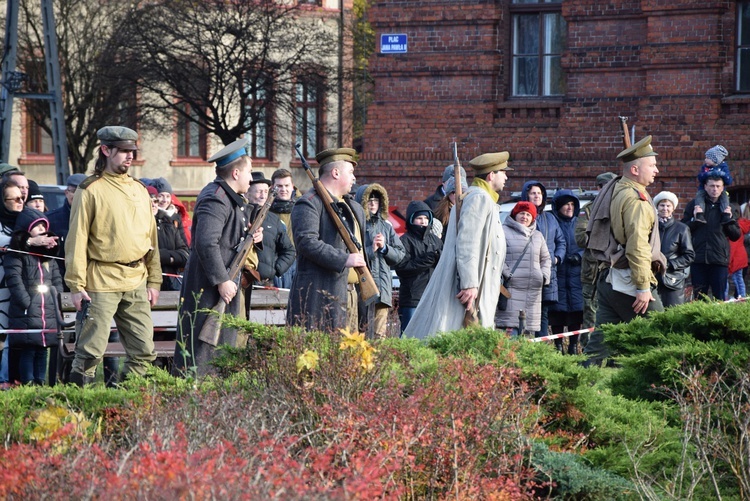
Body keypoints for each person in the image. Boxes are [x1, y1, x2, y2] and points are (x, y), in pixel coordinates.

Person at [65, 126, 162, 386]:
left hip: (136, 280)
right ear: (106, 150)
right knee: (89, 353)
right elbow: (77, 239)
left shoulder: (140, 190)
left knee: (143, 352)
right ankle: (77, 412)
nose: (130, 157)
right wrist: (76, 285)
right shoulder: (90, 189)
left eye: (133, 151)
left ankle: (128, 411)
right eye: (123, 151)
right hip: (100, 281)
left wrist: (154, 280)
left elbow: (151, 239)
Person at [173, 137, 261, 377]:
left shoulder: (230, 200)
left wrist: (251, 237)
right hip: (209, 289)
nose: (251, 179)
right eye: (249, 172)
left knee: (221, 353)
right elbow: (205, 242)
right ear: (235, 173)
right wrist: (221, 280)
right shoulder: (216, 198)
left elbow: (226, 240)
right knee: (201, 358)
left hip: (222, 286)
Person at [404, 151, 510, 338]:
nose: (506, 176)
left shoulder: (483, 199)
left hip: (478, 284)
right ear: (491, 175)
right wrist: (469, 284)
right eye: (503, 172)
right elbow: (467, 242)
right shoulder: (479, 198)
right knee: (454, 334)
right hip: (470, 287)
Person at [583, 135, 666, 366]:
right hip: (629, 281)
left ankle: (570, 390)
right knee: (663, 336)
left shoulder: (618, 187)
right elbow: (638, 246)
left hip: (611, 278)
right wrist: (642, 286)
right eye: (652, 165)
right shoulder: (636, 199)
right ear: (635, 169)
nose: (656, 170)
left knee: (598, 344)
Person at [287, 148, 369, 333]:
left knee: (353, 355)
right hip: (323, 295)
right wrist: (343, 259)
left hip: (353, 294)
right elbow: (306, 242)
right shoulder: (309, 202)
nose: (354, 178)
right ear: (335, 172)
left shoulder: (353, 207)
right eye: (350, 172)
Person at [4, 208, 63, 385]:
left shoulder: (48, 257)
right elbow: (14, 279)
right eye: (37, 227)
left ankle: (41, 382)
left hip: (47, 311)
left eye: (44, 227)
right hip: (27, 311)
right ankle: (28, 383)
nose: (42, 231)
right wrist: (26, 302)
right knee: (28, 350)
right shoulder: (17, 253)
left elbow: (57, 279)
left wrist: (56, 299)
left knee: (42, 350)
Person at [355, 183, 405, 338]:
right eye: (369, 200)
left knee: (379, 335)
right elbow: (351, 255)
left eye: (376, 200)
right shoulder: (358, 225)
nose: (372, 204)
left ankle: (378, 362)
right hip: (361, 287)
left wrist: (385, 248)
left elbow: (400, 254)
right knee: (360, 331)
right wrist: (372, 250)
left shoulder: (386, 227)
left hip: (382, 287)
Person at [682, 173, 741, 301]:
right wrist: (695, 219)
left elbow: (736, 235)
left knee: (719, 298)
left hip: (719, 259)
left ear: (722, 188)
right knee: (698, 299)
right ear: (705, 187)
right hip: (698, 258)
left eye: (718, 186)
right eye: (712, 186)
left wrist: (729, 219)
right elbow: (683, 230)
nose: (715, 189)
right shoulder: (694, 205)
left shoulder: (728, 207)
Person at [494, 201, 550, 336]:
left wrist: (543, 276)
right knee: (510, 331)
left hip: (533, 292)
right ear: (515, 215)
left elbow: (546, 258)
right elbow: (497, 254)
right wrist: (508, 274)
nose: (525, 217)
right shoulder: (503, 231)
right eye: (522, 213)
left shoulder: (538, 236)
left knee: (527, 333)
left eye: (528, 214)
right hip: (512, 289)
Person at [520, 180, 566, 337]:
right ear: (526, 194)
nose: (536, 196)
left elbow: (561, 241)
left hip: (547, 274)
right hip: (526, 272)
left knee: (543, 314)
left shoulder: (550, 218)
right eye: (533, 193)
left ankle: (542, 351)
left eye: (539, 193)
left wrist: (556, 259)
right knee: (523, 314)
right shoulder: (521, 217)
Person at [575, 172, 617, 339]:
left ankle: (612, 355)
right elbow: (580, 238)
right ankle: (589, 355)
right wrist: (606, 236)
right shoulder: (588, 210)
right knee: (591, 314)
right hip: (592, 272)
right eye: (606, 187)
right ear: (599, 188)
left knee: (614, 313)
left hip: (614, 268)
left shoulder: (621, 207)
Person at [395, 201, 442, 333]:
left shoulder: (435, 240)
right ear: (411, 219)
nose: (423, 221)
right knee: (410, 334)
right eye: (419, 218)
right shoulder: (405, 240)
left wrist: (440, 257)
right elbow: (401, 267)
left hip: (434, 295)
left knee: (431, 335)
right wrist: (426, 260)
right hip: (412, 297)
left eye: (426, 218)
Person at [549, 190, 584, 354]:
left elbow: (589, 245)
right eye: (566, 204)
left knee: (576, 311)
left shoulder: (581, 224)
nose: (569, 208)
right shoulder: (551, 222)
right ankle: (557, 346)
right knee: (557, 312)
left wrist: (579, 256)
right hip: (557, 272)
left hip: (577, 274)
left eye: (572, 204)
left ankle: (573, 346)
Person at [0, 180, 27, 389]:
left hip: (20, 288)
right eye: (15, 198)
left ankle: (16, 380)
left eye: (22, 197)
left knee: (18, 338)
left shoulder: (25, 221)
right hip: (1, 290)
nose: (20, 202)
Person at [653, 191, 694, 307]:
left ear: (673, 208)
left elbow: (689, 255)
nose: (665, 208)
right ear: (657, 207)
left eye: (668, 205)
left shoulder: (681, 229)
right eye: (662, 205)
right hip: (652, 278)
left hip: (673, 279)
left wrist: (668, 264)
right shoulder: (650, 227)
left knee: (673, 314)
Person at [149, 186, 189, 292]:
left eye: (155, 201)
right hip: (148, 284)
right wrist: (172, 256)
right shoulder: (138, 223)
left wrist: (164, 256)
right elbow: (143, 254)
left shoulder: (169, 223)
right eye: (150, 201)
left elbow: (184, 255)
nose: (154, 204)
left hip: (171, 282)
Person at [271, 168, 297, 289]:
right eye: (279, 186)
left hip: (298, 263)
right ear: (273, 187)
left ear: (292, 186)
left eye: (287, 185)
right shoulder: (266, 210)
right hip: (276, 263)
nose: (283, 189)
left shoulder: (302, 208)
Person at [695, 145, 731, 223]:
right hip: (703, 189)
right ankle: (700, 213)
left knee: (724, 197)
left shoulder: (723, 167)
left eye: (708, 158)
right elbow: (700, 178)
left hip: (721, 191)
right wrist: (706, 174)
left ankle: (725, 215)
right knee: (699, 196)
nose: (705, 160)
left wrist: (722, 174)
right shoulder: (705, 168)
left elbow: (729, 180)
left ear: (715, 160)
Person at [149, 177, 190, 246]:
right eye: (161, 196)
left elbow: (184, 246)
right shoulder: (150, 217)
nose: (165, 200)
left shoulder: (176, 217)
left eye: (168, 196)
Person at [726, 203, 750, 299]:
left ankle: (725, 298)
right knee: (739, 279)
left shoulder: (734, 226)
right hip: (740, 256)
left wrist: (728, 260)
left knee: (726, 280)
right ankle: (742, 297)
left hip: (734, 256)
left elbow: (733, 245)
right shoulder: (742, 224)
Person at [433, 176, 467, 242]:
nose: (456, 195)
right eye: (453, 192)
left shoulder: (469, 210)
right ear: (448, 194)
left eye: (461, 192)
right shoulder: (440, 212)